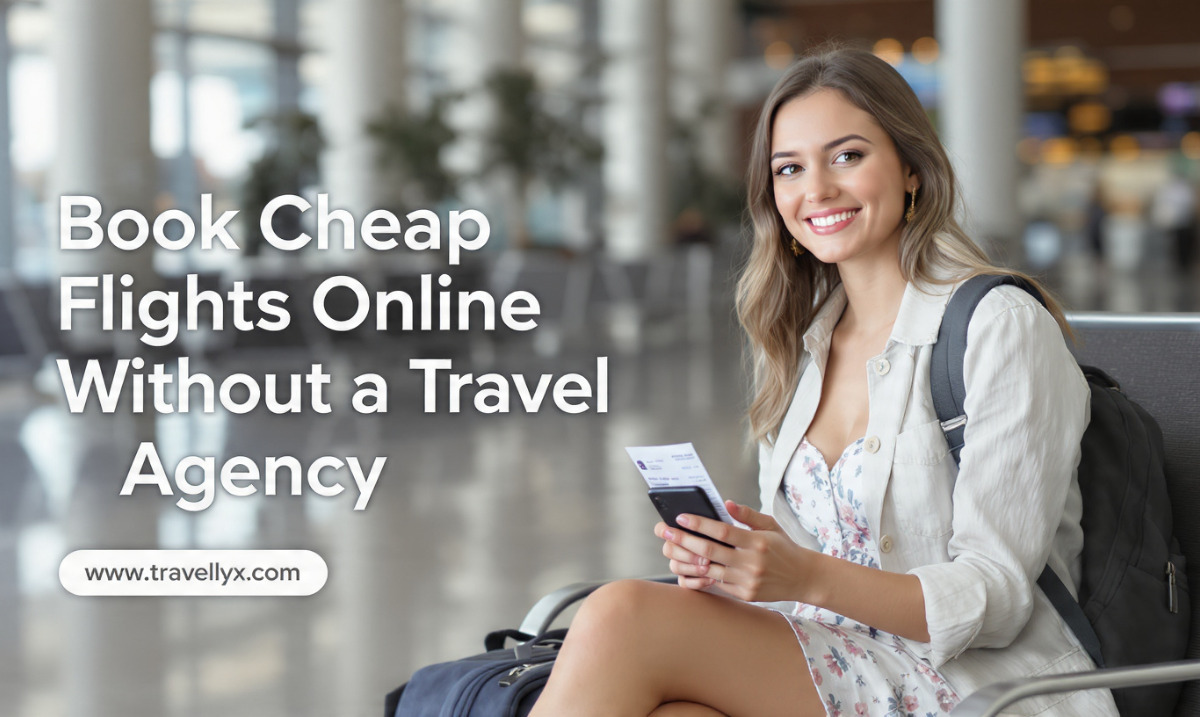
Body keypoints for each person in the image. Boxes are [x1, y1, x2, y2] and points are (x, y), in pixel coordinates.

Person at [528, 47, 1119, 717]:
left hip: (980, 685)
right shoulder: (800, 344)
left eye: (847, 156)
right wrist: (751, 562)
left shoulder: (999, 325)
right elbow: (813, 575)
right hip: (836, 658)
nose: (817, 190)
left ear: (913, 168)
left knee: (622, 615)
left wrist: (806, 574)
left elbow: (997, 596)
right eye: (790, 168)